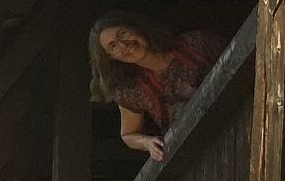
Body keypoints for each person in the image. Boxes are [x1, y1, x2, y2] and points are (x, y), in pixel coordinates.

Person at [88, 12, 225, 164]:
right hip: (200, 158)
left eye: (123, 34)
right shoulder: (131, 90)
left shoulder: (197, 45)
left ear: (137, 28)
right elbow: (128, 134)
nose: (124, 46)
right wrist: (147, 142)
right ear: (111, 57)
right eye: (113, 46)